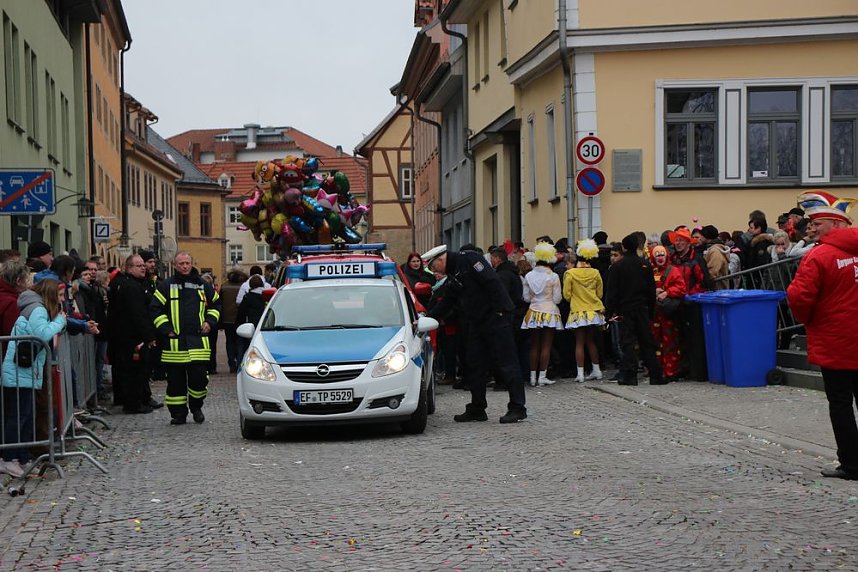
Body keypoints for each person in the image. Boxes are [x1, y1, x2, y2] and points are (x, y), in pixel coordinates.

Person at [786, 191, 858, 480]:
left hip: (836, 343)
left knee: (840, 404)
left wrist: (810, 321)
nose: (811, 228)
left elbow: (799, 297)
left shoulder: (820, 256)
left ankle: (852, 464)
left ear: (836, 224)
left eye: (817, 223)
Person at [422, 244, 527, 423]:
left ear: (440, 259)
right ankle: (477, 408)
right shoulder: (454, 273)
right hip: (478, 322)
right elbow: (448, 300)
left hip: (496, 317)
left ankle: (518, 407)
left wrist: (500, 310)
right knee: (474, 364)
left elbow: (492, 282)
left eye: (433, 267)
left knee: (506, 362)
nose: (434, 271)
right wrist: (427, 319)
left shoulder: (469, 259)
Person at [1, 279, 67, 478]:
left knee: (27, 416)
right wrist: (60, 321)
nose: (63, 300)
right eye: (61, 296)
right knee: (19, 417)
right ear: (51, 295)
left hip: (27, 372)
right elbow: (42, 333)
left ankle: (22, 457)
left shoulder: (35, 307)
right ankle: (9, 459)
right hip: (20, 372)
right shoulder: (37, 309)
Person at [150, 252, 221, 425]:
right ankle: (178, 414)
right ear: (175, 265)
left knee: (199, 381)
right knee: (175, 384)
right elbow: (155, 308)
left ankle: (196, 407)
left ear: (191, 264)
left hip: (198, 343)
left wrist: (209, 322)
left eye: (187, 263)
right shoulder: (166, 286)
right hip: (175, 345)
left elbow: (216, 304)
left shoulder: (202, 285)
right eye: (181, 263)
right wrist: (166, 329)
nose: (184, 266)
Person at [605, 234, 664, 386]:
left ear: (624, 248)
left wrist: (609, 312)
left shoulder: (618, 267)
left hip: (625, 308)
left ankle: (630, 375)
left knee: (628, 342)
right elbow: (651, 289)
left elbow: (612, 292)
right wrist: (651, 309)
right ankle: (656, 374)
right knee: (647, 342)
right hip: (642, 307)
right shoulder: (644, 264)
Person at [110, 255, 159, 414]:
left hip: (131, 336)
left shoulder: (135, 285)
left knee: (139, 370)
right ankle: (133, 404)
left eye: (143, 265)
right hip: (131, 337)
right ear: (129, 268)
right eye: (138, 266)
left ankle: (138, 400)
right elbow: (138, 314)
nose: (143, 267)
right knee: (134, 371)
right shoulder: (131, 287)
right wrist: (149, 336)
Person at [563, 239, 606, 383]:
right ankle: (597, 370)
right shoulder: (595, 272)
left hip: (578, 311)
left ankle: (580, 373)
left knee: (579, 342)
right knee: (591, 341)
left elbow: (566, 295)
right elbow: (599, 294)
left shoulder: (570, 273)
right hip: (593, 311)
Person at [521, 243, 563, 387]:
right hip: (549, 311)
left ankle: (532, 377)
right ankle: (542, 376)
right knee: (546, 345)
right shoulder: (553, 276)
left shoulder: (528, 275)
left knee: (534, 345)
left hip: (533, 311)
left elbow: (526, 297)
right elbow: (557, 298)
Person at [489, 247, 528, 390]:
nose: (491, 261)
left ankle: (506, 381)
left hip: (508, 317)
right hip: (516, 314)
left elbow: (501, 297)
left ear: (498, 259)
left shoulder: (502, 276)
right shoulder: (512, 273)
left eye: (492, 258)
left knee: (505, 351)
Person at [650, 245, 687, 382]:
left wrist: (667, 292)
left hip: (668, 313)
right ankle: (657, 369)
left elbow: (681, 288)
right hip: (654, 313)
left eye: (662, 254)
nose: (660, 257)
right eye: (657, 255)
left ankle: (671, 370)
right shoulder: (650, 271)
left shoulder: (673, 271)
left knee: (670, 342)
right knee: (655, 341)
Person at [219, 268, 247, 373]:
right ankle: (240, 362)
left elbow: (220, 303)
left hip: (227, 319)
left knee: (229, 341)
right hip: (240, 319)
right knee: (240, 342)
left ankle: (231, 363)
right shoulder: (244, 286)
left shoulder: (224, 286)